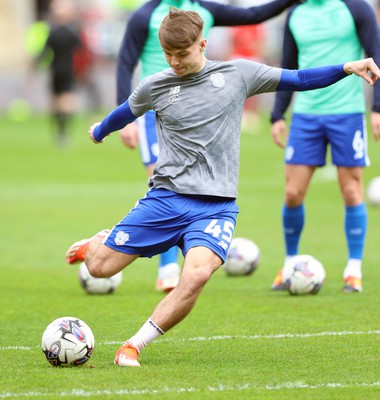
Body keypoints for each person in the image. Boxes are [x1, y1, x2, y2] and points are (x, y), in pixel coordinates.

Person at [65, 8, 380, 367]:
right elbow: (126, 111)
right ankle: (98, 242)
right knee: (99, 268)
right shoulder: (156, 84)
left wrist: (346, 68)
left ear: (202, 44)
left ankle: (134, 345)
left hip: (216, 207)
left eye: (182, 54)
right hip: (166, 199)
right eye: (168, 54)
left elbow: (299, 78)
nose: (175, 62)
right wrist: (100, 131)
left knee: (197, 273)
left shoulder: (238, 74)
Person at [116, 0, 303, 293]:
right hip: (154, 109)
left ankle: (184, 255)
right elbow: (126, 61)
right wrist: (126, 119)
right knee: (161, 181)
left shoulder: (205, 10)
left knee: (184, 185)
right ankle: (166, 267)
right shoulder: (145, 15)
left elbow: (252, 14)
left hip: (195, 108)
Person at [269, 0, 380, 293]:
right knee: (292, 193)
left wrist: (377, 107)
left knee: (352, 190)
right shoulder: (295, 14)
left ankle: (353, 269)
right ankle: (290, 263)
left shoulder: (356, 8)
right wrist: (278, 113)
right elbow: (288, 67)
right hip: (306, 115)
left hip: (348, 113)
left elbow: (376, 54)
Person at [36, 0, 82, 147]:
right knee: (67, 101)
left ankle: (59, 132)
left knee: (56, 102)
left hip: (55, 70)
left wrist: (35, 68)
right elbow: (82, 50)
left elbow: (44, 52)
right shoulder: (72, 31)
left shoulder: (53, 31)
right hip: (68, 70)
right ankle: (65, 133)